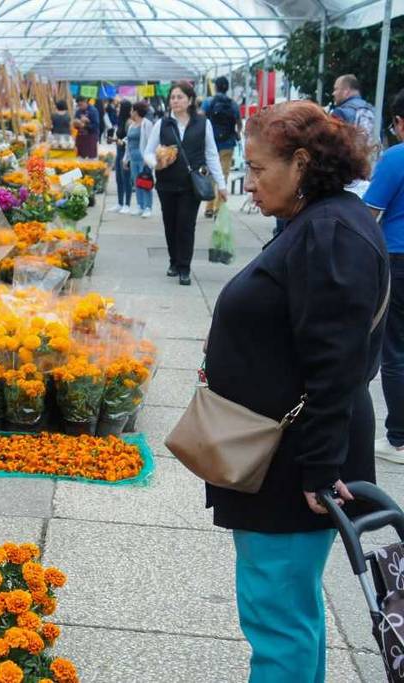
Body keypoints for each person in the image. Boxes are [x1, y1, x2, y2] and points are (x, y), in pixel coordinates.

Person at [201, 100, 385, 683]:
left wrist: (318, 468)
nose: (248, 183)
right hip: (287, 453)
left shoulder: (329, 234)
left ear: (301, 164)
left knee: (277, 614)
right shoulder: (320, 223)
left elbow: (337, 364)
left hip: (294, 465)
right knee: (290, 612)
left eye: (257, 170)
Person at [144, 81, 228, 285]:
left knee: (186, 225)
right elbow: (147, 151)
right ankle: (173, 261)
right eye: (173, 97)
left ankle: (184, 267)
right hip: (166, 184)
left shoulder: (202, 123)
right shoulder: (162, 124)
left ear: (190, 99)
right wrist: (157, 163)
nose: (175, 100)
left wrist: (221, 184)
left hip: (192, 184)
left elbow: (211, 154)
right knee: (170, 224)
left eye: (180, 96)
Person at [365, 89, 404, 464]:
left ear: (399, 122)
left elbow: (369, 212)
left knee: (395, 350)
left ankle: (398, 439)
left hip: (398, 258)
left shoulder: (396, 158)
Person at [203, 76, 241, 218]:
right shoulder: (233, 104)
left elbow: (201, 118)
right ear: (227, 88)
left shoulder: (209, 102)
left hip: (210, 144)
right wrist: (237, 133)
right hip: (228, 143)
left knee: (211, 175)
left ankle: (209, 207)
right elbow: (238, 122)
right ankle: (219, 207)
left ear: (216, 87)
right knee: (222, 176)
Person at [126, 101, 154, 219]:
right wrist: (125, 158)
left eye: (132, 110)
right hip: (133, 158)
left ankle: (148, 207)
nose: (130, 112)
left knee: (145, 182)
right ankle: (140, 205)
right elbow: (128, 142)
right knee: (137, 182)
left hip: (143, 158)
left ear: (136, 112)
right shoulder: (132, 125)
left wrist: (149, 158)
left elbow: (150, 141)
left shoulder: (146, 124)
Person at [331, 74, 377, 146]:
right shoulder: (374, 111)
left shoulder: (340, 112)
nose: (333, 93)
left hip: (351, 156)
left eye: (336, 89)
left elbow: (332, 144)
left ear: (346, 91)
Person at [110, 100, 133, 214]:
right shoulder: (121, 121)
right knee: (119, 178)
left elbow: (130, 139)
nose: (117, 109)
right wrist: (114, 139)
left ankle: (127, 204)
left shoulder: (129, 122)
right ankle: (119, 203)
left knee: (126, 179)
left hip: (126, 153)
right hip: (119, 152)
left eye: (119, 107)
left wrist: (122, 142)